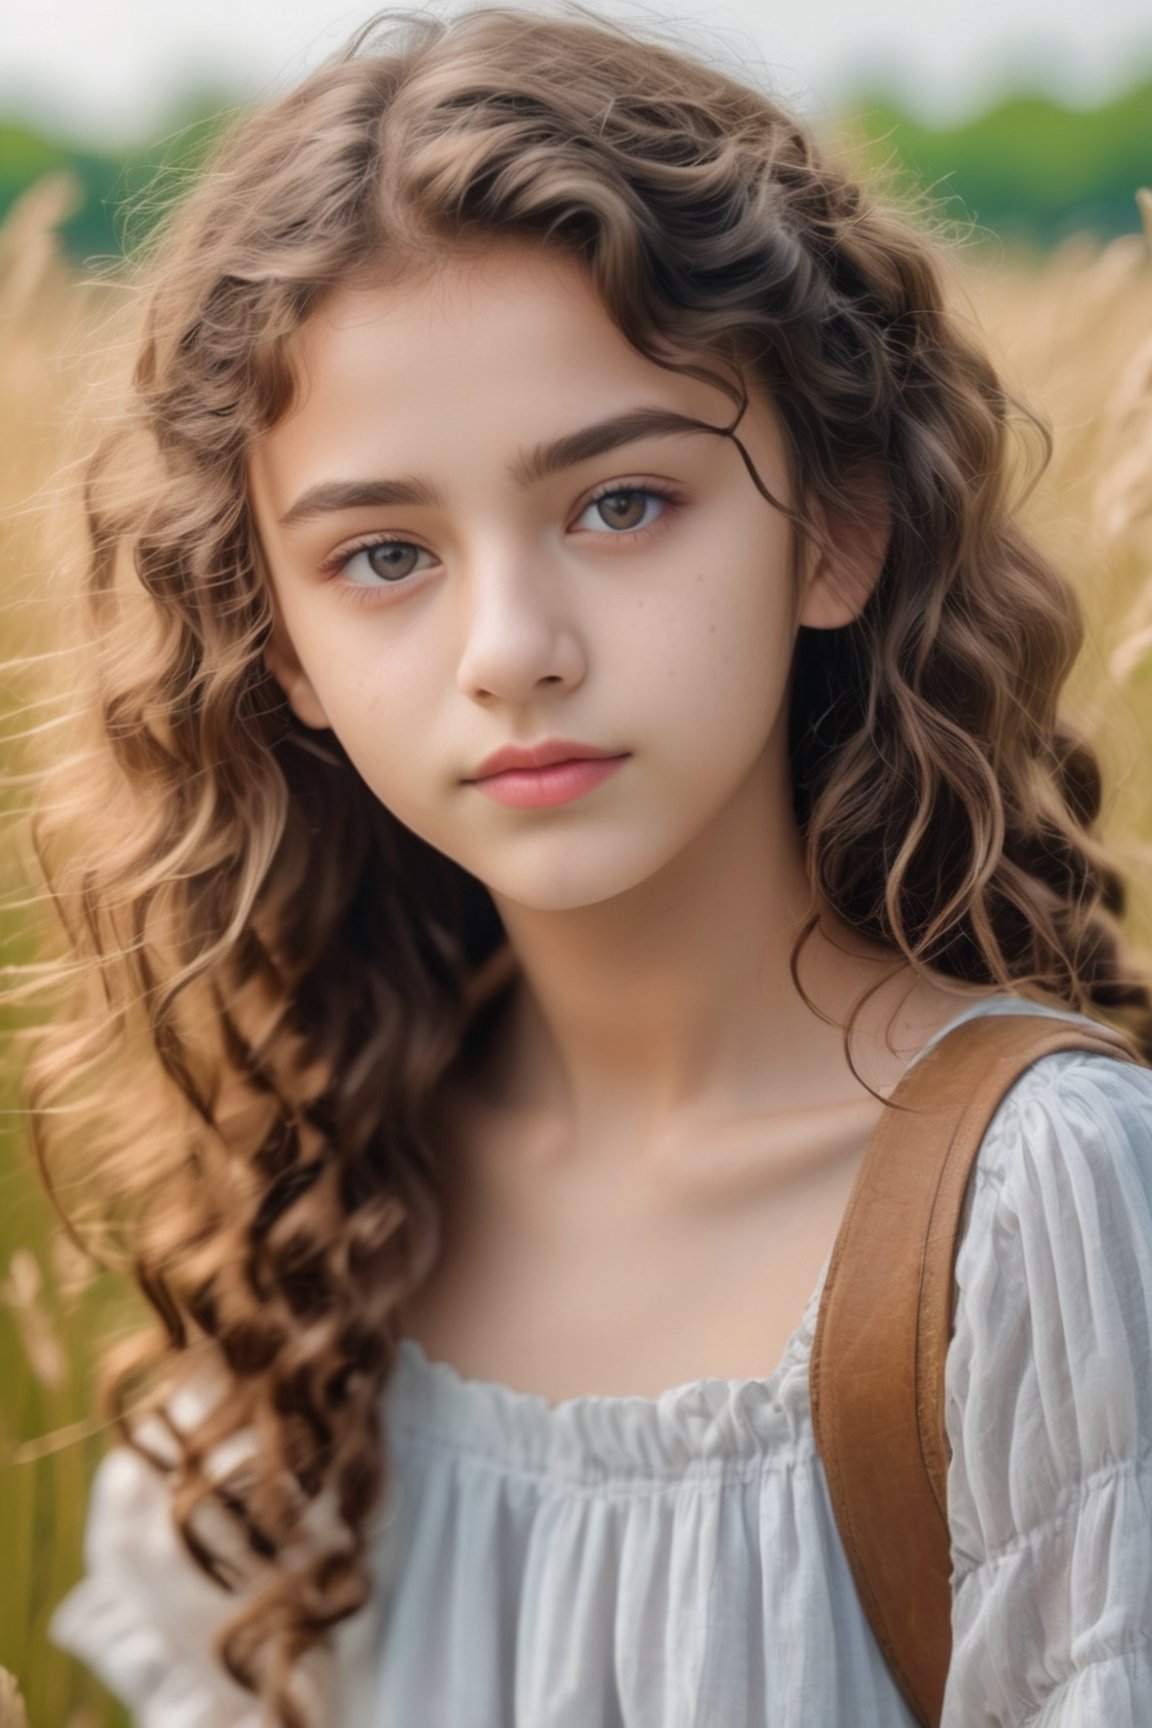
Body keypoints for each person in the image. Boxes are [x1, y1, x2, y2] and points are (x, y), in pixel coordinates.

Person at [19, 5, 1152, 1724]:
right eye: (385, 552)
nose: (513, 648)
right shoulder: (320, 1213)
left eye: (621, 502)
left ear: (835, 525)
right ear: (287, 654)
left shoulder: (1036, 1211)